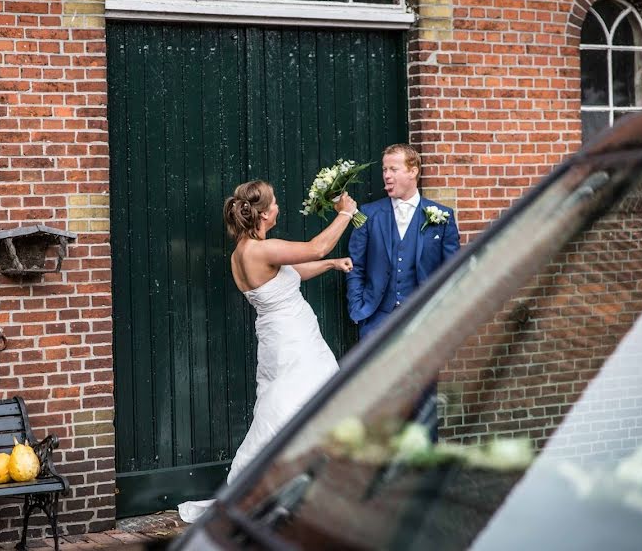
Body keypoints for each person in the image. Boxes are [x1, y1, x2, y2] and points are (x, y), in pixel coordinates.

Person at [178, 180, 357, 523]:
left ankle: (296, 486)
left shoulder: (245, 251)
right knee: (299, 405)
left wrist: (333, 265)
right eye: (274, 204)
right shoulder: (261, 250)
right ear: (262, 213)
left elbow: (295, 271)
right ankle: (290, 487)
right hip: (293, 341)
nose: (278, 208)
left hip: (278, 340)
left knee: (285, 405)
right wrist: (345, 213)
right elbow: (316, 247)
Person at [346, 143, 460, 441]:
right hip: (377, 320)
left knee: (423, 399)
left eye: (393, 169)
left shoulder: (441, 217)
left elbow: (452, 275)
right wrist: (359, 310)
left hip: (423, 323)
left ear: (413, 171)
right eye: (385, 169)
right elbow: (354, 266)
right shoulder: (367, 215)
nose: (386, 175)